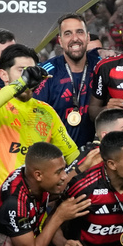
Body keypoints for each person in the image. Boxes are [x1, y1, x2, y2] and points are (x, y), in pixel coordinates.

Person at [0, 43, 79, 191]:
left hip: (37, 206)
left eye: (31, 71)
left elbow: (72, 155)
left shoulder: (46, 111)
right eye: (21, 71)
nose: (29, 76)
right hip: (0, 203)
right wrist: (21, 83)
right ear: (4, 75)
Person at [36, 13, 103, 146]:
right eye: (68, 34)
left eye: (79, 32)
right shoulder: (45, 72)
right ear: (60, 41)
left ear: (87, 37)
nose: (75, 38)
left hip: (95, 156)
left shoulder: (102, 68)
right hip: (55, 157)